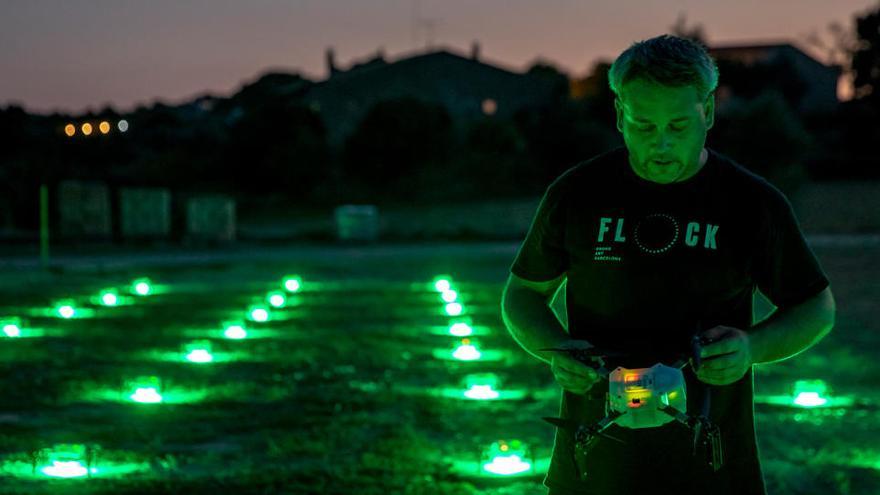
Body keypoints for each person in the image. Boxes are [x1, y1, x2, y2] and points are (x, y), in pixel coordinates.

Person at [500, 34, 836, 495]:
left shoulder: (751, 203)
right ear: (620, 116)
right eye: (643, 126)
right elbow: (522, 295)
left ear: (709, 114)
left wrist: (752, 347)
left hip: (712, 467)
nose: (660, 144)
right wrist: (555, 347)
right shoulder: (577, 193)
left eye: (678, 127)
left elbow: (816, 307)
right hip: (594, 466)